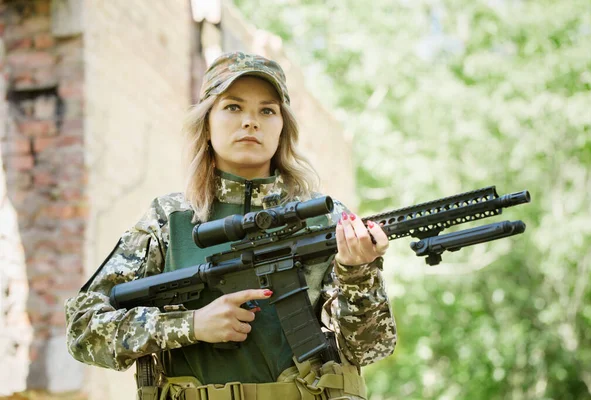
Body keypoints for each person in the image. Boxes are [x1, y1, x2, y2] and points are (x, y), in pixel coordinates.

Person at [65, 51, 397, 400]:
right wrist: (191, 325)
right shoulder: (169, 219)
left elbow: (369, 349)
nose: (251, 122)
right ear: (206, 123)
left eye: (267, 111)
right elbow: (83, 329)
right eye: (233, 107)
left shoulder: (321, 217)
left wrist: (358, 272)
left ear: (282, 128)